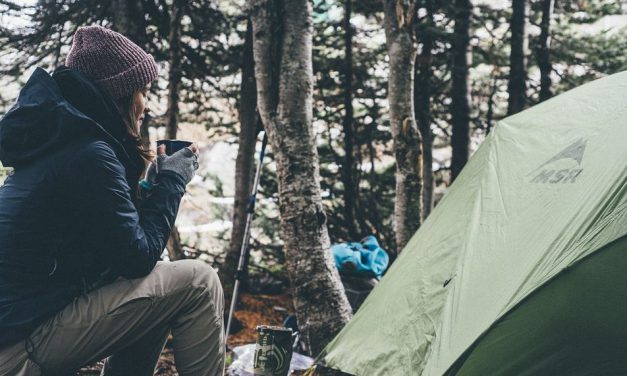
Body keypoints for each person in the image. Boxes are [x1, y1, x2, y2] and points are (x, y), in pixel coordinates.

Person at [0, 26, 225, 376]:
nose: (145, 106)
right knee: (198, 281)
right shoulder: (90, 154)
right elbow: (136, 258)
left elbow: (118, 250)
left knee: (160, 290)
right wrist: (173, 182)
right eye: (143, 91)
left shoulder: (61, 145)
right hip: (19, 348)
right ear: (119, 93)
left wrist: (149, 190)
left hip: (17, 331)